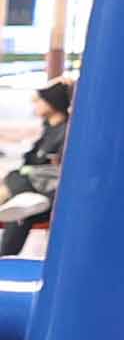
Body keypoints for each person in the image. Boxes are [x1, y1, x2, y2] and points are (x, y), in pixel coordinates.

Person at [0, 79, 68, 253]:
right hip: (34, 190)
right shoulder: (49, 129)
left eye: (39, 100)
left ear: (52, 103)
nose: (34, 103)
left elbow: (54, 171)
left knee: (20, 209)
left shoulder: (65, 132)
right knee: (19, 204)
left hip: (49, 192)